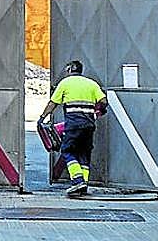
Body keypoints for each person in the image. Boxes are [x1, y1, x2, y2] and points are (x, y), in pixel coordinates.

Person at [38, 59, 108, 197]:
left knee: (67, 150)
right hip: (89, 125)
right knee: (84, 154)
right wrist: (97, 111)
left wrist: (42, 117)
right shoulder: (91, 83)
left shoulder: (65, 83)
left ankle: (78, 181)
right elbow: (104, 101)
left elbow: (53, 103)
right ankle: (84, 185)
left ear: (70, 69)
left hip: (73, 125)